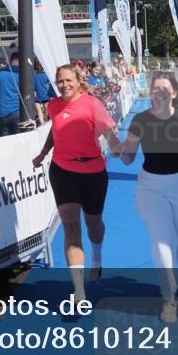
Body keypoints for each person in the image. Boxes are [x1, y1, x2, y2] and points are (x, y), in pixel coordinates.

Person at [119, 73, 178, 323]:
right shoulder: (140, 120)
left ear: (173, 93)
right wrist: (116, 146)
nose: (160, 91)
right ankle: (169, 297)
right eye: (156, 88)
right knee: (161, 240)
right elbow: (128, 157)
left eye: (165, 88)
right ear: (151, 93)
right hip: (151, 186)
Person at [32, 64, 124, 302]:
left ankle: (96, 255)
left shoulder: (92, 104)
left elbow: (110, 136)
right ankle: (79, 291)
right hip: (62, 171)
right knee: (71, 226)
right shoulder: (53, 105)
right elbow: (55, 129)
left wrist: (119, 149)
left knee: (94, 226)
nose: (64, 85)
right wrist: (43, 153)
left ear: (78, 80)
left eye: (68, 80)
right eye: (60, 81)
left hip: (93, 171)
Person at [0, 53, 22, 137]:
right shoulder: (23, 74)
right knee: (19, 145)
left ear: (10, 60)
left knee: (4, 146)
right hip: (18, 112)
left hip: (2, 114)